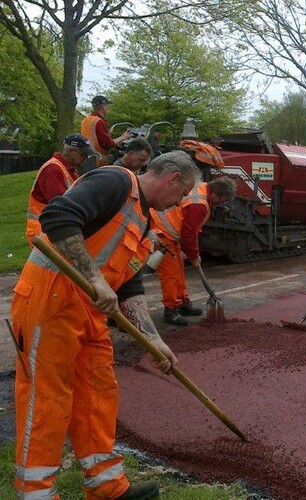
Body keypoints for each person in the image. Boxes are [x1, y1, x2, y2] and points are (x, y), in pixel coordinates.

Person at [10, 150, 200, 499]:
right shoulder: (114, 181)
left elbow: (129, 283)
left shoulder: (144, 217)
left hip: (90, 310)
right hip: (50, 301)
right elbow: (59, 214)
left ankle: (106, 486)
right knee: (48, 400)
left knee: (99, 392)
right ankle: (36, 493)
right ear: (172, 178)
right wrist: (95, 279)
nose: (181, 201)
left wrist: (153, 340)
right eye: (183, 192)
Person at [151, 175, 236, 326]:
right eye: (222, 199)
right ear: (216, 194)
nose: (221, 203)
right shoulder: (200, 204)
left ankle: (183, 302)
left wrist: (192, 254)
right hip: (162, 232)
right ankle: (171, 309)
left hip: (170, 232)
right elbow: (189, 233)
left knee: (179, 269)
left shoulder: (203, 187)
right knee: (170, 273)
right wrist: (194, 256)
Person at [25, 134, 95, 247]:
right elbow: (61, 204)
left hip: (52, 229)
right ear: (72, 151)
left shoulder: (68, 170)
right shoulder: (52, 169)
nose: (85, 159)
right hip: (44, 231)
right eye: (83, 154)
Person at [80, 95, 132, 167]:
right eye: (107, 105)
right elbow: (107, 144)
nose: (108, 108)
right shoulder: (99, 121)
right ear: (103, 106)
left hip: (86, 160)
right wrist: (123, 137)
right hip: (98, 161)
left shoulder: (85, 121)